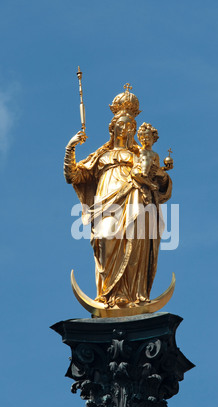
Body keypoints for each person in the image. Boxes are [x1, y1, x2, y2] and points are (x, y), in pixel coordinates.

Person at [64, 88, 172, 309]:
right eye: (122, 123)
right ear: (113, 127)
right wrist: (71, 147)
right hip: (106, 201)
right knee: (105, 237)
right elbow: (73, 175)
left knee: (134, 241)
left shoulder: (139, 156)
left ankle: (131, 294)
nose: (127, 127)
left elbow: (162, 184)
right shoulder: (100, 156)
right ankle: (107, 293)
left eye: (131, 124)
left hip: (135, 199)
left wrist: (161, 174)